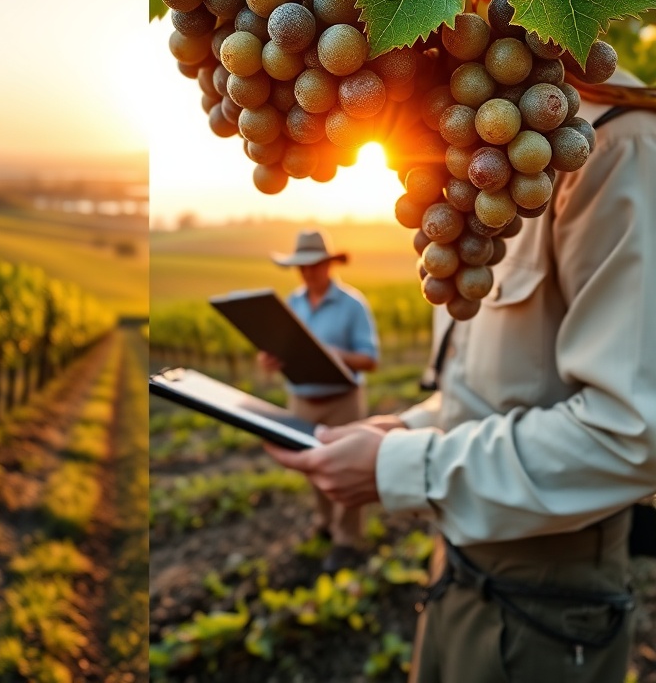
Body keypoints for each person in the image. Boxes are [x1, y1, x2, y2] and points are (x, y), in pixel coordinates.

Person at [264, 67, 656, 682]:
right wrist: (400, 428)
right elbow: (480, 392)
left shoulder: (613, 143)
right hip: (454, 570)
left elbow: (631, 434)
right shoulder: (476, 146)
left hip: (548, 602)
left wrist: (398, 468)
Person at [258, 228, 379, 572]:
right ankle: (325, 523)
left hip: (343, 400)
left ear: (328, 264)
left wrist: (334, 353)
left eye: (314, 265)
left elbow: (370, 359)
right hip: (302, 399)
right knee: (314, 468)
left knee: (348, 468)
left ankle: (348, 540)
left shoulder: (353, 305)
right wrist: (269, 360)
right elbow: (280, 351)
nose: (308, 273)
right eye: (302, 267)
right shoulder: (291, 305)